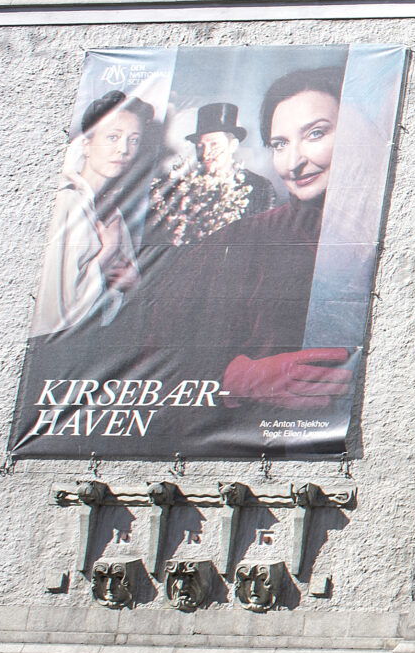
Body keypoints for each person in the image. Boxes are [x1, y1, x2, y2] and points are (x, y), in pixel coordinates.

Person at [131, 65, 358, 412]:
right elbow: (159, 350)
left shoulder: (257, 187)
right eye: (280, 144)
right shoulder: (233, 233)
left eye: (315, 134)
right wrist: (236, 377)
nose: (294, 162)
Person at [29, 90, 158, 338]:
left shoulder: (114, 212)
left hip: (97, 344)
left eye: (134, 140)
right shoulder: (66, 203)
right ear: (87, 145)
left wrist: (133, 283)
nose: (123, 149)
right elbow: (55, 311)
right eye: (113, 137)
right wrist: (106, 254)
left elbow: (120, 306)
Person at [151, 101, 273, 247]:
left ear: (233, 145)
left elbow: (262, 240)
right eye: (200, 146)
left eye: (214, 144)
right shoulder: (186, 187)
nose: (205, 153)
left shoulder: (260, 187)